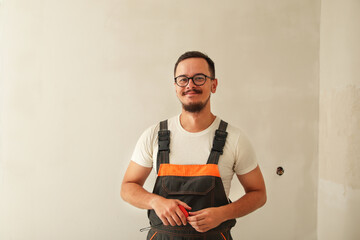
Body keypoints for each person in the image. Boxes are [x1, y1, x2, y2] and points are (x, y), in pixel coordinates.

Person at [121, 51, 266, 240]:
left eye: (199, 78)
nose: (190, 85)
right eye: (183, 79)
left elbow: (259, 194)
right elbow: (127, 187)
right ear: (175, 86)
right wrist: (155, 201)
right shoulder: (155, 135)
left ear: (213, 85)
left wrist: (223, 213)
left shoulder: (235, 139)